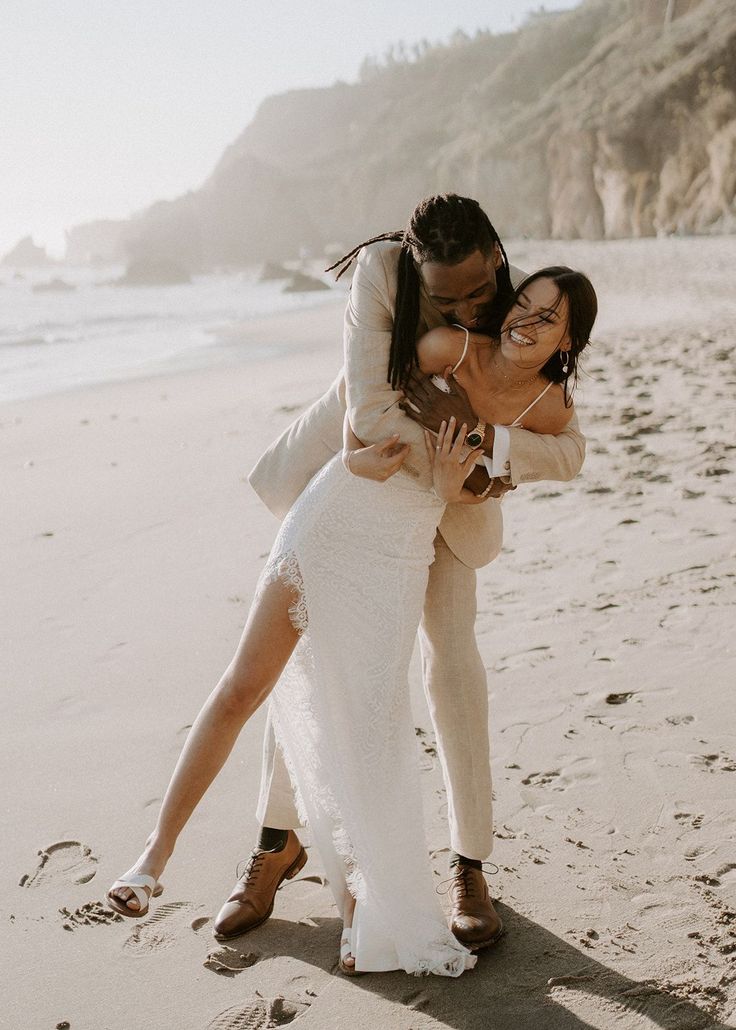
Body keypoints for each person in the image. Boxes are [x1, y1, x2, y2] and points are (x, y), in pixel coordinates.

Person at [107, 258, 597, 975]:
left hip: (406, 550)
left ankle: (439, 872)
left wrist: (479, 455)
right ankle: (213, 854)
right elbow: (371, 396)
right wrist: (362, 445)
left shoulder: (539, 381)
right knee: (260, 685)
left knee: (392, 707)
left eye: (543, 316)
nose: (520, 317)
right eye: (523, 305)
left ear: (565, 335)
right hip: (335, 509)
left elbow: (530, 464)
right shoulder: (420, 309)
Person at [213, 196, 586, 953]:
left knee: (453, 662)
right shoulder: (380, 274)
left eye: (476, 291)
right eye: (444, 297)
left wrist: (483, 453)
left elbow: (568, 441)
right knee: (313, 655)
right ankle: (275, 842)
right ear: (415, 265)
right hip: (362, 486)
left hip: (451, 507)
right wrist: (453, 456)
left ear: (495, 255)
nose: (463, 307)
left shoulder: (517, 303)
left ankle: (469, 865)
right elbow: (370, 416)